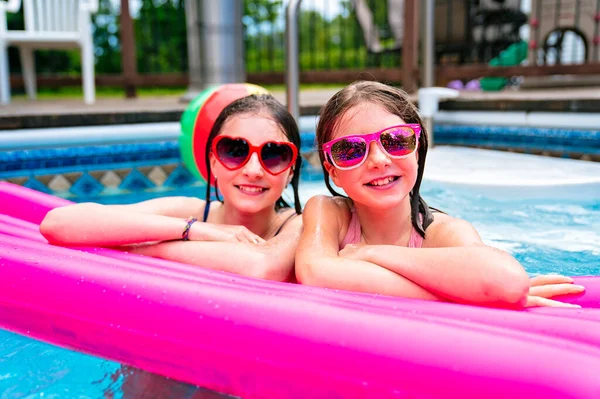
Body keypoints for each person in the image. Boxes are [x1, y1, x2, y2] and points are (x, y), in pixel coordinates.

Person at [295, 81, 584, 308]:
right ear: (332, 171)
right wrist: (459, 294)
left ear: (418, 151)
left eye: (396, 141)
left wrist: (370, 253)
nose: (379, 160)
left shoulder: (442, 233)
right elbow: (314, 272)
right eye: (351, 150)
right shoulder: (329, 212)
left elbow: (507, 281)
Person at [40, 94, 303, 282]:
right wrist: (194, 230)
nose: (253, 170)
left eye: (273, 154)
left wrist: (145, 248)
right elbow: (57, 223)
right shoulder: (191, 213)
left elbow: (262, 266)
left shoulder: (301, 225)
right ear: (212, 162)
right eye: (235, 151)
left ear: (291, 168)